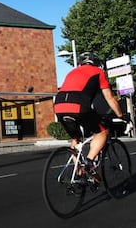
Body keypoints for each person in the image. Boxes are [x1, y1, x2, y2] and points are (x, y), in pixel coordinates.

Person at [54, 52, 126, 183]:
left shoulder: (72, 72)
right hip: (78, 105)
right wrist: (121, 114)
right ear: (96, 63)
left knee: (76, 139)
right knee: (102, 132)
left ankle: (79, 171)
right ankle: (89, 163)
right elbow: (109, 97)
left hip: (59, 106)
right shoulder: (98, 72)